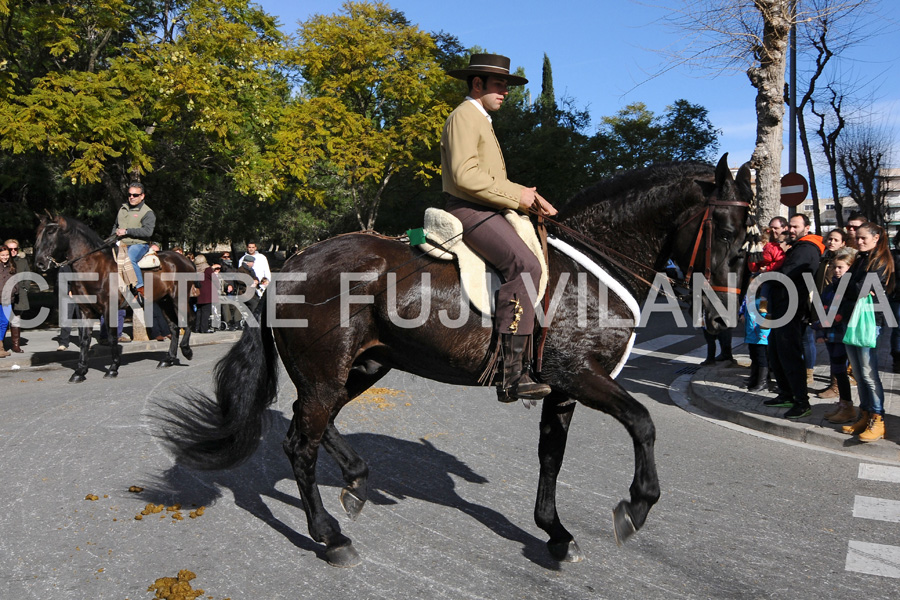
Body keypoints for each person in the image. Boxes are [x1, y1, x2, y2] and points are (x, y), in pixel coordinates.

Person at [441, 53, 557, 402]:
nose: (505, 91)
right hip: (469, 209)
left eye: (506, 85)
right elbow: (465, 175)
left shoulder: (482, 120)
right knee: (525, 265)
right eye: (499, 85)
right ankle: (511, 375)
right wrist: (517, 194)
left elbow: (490, 179)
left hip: (487, 206)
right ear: (477, 85)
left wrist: (530, 200)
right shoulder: (465, 115)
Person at [763, 214, 824, 419]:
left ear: (807, 228)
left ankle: (801, 401)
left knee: (789, 355)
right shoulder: (798, 247)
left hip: (792, 308)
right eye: (789, 226)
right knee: (776, 351)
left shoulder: (806, 249)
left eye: (795, 226)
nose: (790, 229)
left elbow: (786, 275)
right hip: (783, 307)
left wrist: (766, 274)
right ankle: (786, 393)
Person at [837, 222, 894, 442]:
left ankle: (877, 420)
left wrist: (850, 284)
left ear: (876, 237)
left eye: (863, 238)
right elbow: (846, 286)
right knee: (859, 374)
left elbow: (858, 287)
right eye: (857, 238)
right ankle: (865, 414)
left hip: (869, 320)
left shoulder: (881, 260)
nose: (858, 241)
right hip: (852, 318)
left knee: (869, 374)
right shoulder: (862, 259)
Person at [812, 248, 857, 424]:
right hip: (831, 333)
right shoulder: (831, 287)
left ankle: (849, 408)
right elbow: (823, 307)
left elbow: (842, 312)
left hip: (842, 334)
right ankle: (844, 405)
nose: (837, 270)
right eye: (834, 267)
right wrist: (821, 328)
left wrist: (825, 323)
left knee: (842, 370)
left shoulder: (849, 288)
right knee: (837, 370)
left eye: (841, 267)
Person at [813, 229, 848, 398]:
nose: (831, 242)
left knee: (839, 353)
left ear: (843, 243)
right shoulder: (824, 259)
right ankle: (835, 384)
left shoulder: (846, 262)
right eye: (829, 239)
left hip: (837, 309)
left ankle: (837, 386)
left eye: (836, 239)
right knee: (831, 349)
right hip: (825, 301)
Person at [112, 182, 155, 303]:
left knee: (129, 259)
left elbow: (148, 232)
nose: (131, 197)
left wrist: (126, 231)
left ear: (142, 196)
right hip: (121, 243)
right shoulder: (123, 209)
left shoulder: (148, 212)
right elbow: (115, 226)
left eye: (135, 195)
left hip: (139, 244)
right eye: (130, 194)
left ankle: (140, 289)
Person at [3, 238, 31, 353]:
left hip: (19, 295)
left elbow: (28, 276)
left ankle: (16, 345)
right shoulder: (3, 261)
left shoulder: (22, 262)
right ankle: (1, 345)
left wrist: (25, 287)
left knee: (15, 320)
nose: (13, 251)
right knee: (3, 321)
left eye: (16, 248)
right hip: (3, 296)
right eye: (11, 249)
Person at [57, 264, 83, 351]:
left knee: (82, 320)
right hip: (68, 296)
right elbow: (60, 281)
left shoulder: (82, 264)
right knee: (65, 319)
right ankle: (63, 342)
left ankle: (83, 342)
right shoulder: (64, 267)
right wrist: (68, 291)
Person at [0, 244, 17, 359]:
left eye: (7, 255)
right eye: (2, 255)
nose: (5, 257)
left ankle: (0, 347)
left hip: (7, 299)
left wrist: (15, 290)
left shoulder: (12, 266)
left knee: (5, 322)